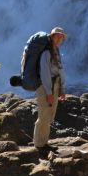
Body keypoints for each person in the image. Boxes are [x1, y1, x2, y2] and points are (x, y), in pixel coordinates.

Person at [33, 26, 67, 156]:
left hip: (55, 85)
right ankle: (38, 145)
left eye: (61, 37)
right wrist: (48, 92)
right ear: (52, 37)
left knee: (49, 115)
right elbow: (44, 73)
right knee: (43, 115)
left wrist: (61, 89)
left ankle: (44, 143)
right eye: (57, 36)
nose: (59, 38)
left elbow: (60, 70)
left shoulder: (56, 51)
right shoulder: (46, 53)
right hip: (46, 87)